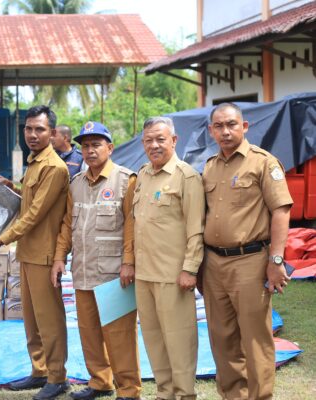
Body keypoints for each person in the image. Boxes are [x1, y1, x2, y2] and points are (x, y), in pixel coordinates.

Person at [202, 103, 293, 400]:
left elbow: (280, 211)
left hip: (250, 262)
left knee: (255, 340)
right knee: (222, 338)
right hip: (214, 263)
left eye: (231, 124)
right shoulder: (209, 166)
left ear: (245, 127)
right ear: (211, 131)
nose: (226, 131)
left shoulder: (263, 163)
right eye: (219, 126)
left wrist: (275, 261)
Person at [0, 105, 70, 400]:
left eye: (40, 129)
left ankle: (57, 377)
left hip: (44, 256)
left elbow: (33, 214)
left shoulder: (55, 167)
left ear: (52, 133)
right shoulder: (33, 163)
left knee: (50, 320)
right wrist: (11, 187)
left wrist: (0, 241)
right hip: (28, 253)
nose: (33, 134)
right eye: (29, 128)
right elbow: (28, 200)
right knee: (31, 319)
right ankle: (39, 370)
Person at [53, 121, 141, 400]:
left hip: (115, 272)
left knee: (119, 335)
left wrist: (129, 262)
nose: (90, 151)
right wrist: (59, 258)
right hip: (83, 270)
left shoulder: (126, 180)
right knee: (89, 332)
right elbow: (67, 224)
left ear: (110, 148)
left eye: (96, 145)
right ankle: (100, 381)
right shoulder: (76, 183)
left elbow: (132, 225)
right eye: (85, 146)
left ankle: (128, 390)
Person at [133, 117, 204, 400]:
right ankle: (164, 393)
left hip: (173, 276)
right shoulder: (143, 175)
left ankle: (184, 394)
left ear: (174, 141)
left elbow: (196, 228)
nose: (154, 145)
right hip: (144, 275)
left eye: (160, 139)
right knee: (154, 340)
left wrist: (190, 269)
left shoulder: (187, 177)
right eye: (149, 140)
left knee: (179, 341)